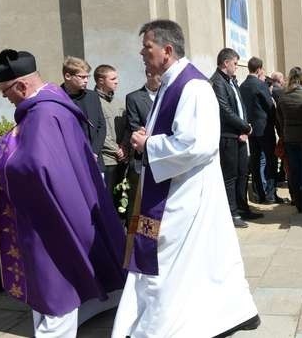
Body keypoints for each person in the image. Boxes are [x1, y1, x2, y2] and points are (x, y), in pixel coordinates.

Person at [112, 20, 259, 337]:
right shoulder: (169, 82)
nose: (141, 52)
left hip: (186, 193)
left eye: (147, 46)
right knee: (200, 260)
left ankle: (166, 326)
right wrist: (146, 136)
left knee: (170, 263)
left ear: (166, 50)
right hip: (174, 187)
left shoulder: (193, 86)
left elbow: (198, 144)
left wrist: (147, 144)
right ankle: (224, 314)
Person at [0, 49, 125, 338]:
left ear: (22, 86)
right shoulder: (56, 101)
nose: (5, 97)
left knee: (54, 281)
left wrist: (0, 153)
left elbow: (35, 167)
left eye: (5, 91)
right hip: (72, 203)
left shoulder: (42, 115)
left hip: (51, 216)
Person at [210, 47, 263, 228]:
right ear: (226, 63)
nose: (236, 67)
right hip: (227, 137)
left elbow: (241, 106)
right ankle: (231, 213)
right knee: (230, 176)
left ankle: (243, 208)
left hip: (239, 135)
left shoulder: (232, 81)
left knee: (243, 173)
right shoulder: (217, 82)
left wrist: (244, 128)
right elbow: (224, 110)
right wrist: (245, 126)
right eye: (234, 63)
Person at [240, 57, 285, 204]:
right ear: (259, 69)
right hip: (265, 129)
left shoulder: (242, 85)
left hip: (251, 130)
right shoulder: (260, 85)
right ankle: (271, 194)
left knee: (255, 161)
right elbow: (270, 107)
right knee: (271, 162)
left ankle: (259, 194)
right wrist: (277, 125)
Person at [277, 67, 302, 213]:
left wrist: (284, 132)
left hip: (289, 138)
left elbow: (279, 118)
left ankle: (296, 200)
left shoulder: (283, 96)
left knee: (293, 170)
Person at [124, 71, 161, 220]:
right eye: (159, 76)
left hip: (162, 155)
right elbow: (134, 125)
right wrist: (141, 133)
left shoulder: (166, 96)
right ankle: (132, 235)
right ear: (149, 74)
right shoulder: (134, 98)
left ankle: (154, 236)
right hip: (143, 156)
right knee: (137, 201)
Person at [61, 56, 106, 169]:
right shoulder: (57, 98)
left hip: (96, 161)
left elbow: (101, 126)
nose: (86, 80)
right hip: (70, 163)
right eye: (82, 77)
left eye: (87, 77)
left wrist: (94, 152)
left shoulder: (93, 96)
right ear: (68, 76)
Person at [94, 64, 128, 193]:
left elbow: (127, 129)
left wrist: (124, 147)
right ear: (101, 81)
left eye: (116, 78)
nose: (117, 82)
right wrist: (117, 150)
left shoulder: (119, 102)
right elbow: (98, 132)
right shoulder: (93, 101)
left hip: (123, 160)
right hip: (107, 161)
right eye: (113, 79)